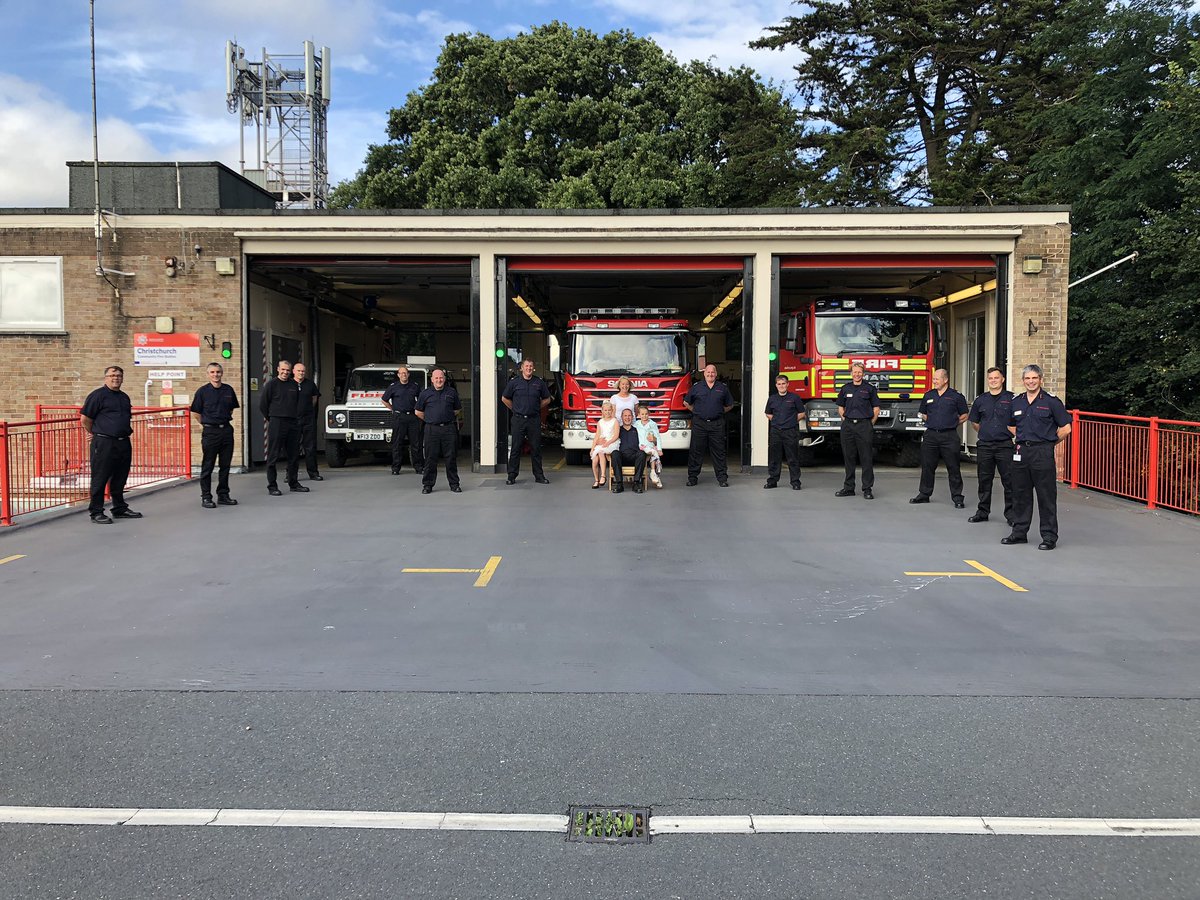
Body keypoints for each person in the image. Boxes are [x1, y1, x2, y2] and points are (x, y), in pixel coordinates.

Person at [1003, 364, 1072, 550]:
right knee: (1020, 495)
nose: (1031, 381)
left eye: (1034, 378)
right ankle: (1019, 533)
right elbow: (1011, 426)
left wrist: (1049, 443)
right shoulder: (1016, 402)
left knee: (1046, 496)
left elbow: (1066, 428)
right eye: (1027, 378)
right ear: (1023, 381)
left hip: (1042, 452)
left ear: (1041, 379)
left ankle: (1049, 537)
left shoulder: (1051, 402)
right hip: (1021, 452)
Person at [80, 365, 141, 524]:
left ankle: (119, 508)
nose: (116, 378)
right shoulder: (97, 396)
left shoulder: (124, 397)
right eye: (112, 375)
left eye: (119, 375)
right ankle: (96, 512)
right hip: (104, 443)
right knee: (100, 478)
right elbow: (85, 419)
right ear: (105, 378)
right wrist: (94, 433)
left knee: (120, 477)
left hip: (123, 442)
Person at [910, 368, 969, 507]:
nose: (934, 381)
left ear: (945, 380)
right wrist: (931, 421)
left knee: (953, 467)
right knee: (927, 466)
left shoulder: (956, 396)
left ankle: (957, 497)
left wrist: (952, 423)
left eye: (937, 379)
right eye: (934, 379)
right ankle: (924, 494)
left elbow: (965, 415)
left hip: (949, 436)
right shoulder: (928, 395)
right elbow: (923, 413)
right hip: (931, 435)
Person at [967, 367, 1015, 525]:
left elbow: (1019, 421)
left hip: (1005, 445)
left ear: (1002, 379)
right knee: (984, 480)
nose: (993, 381)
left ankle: (1012, 515)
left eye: (996, 378)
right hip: (985, 446)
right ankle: (982, 512)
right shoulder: (981, 400)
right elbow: (974, 421)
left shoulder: (1012, 399)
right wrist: (986, 431)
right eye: (990, 378)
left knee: (1009, 481)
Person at [190, 362, 240, 509]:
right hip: (210, 432)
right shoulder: (202, 392)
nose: (215, 375)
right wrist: (208, 424)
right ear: (208, 374)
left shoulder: (228, 390)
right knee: (208, 465)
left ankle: (223, 494)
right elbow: (196, 413)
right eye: (212, 372)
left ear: (222, 373)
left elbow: (230, 410)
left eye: (218, 372)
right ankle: (206, 497)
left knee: (225, 465)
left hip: (225, 431)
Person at [259, 359, 307, 496]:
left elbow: (297, 403)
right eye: (283, 369)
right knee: (273, 455)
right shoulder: (271, 385)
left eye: (287, 370)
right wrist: (272, 419)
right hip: (277, 422)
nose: (285, 372)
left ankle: (294, 483)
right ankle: (272, 486)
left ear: (290, 371)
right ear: (278, 370)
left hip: (292, 423)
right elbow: (263, 405)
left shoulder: (294, 384)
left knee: (293, 455)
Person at [502, 358, 552, 485]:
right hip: (518, 419)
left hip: (534, 419)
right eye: (526, 366)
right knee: (515, 448)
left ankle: (539, 476)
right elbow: (504, 398)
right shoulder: (514, 383)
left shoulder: (538, 382)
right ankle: (511, 476)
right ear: (521, 368)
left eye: (531, 366)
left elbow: (547, 399)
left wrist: (536, 407)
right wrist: (515, 408)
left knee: (536, 449)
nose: (528, 368)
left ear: (533, 368)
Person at [834, 363, 880, 499]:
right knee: (849, 458)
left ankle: (867, 489)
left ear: (863, 373)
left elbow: (876, 409)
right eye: (854, 372)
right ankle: (849, 488)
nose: (857, 374)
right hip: (848, 426)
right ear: (851, 373)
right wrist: (846, 421)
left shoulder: (869, 389)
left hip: (864, 426)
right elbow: (840, 407)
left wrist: (868, 424)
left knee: (866, 458)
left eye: (859, 372)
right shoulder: (845, 388)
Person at [683, 364, 735, 486]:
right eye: (708, 372)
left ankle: (722, 479)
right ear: (704, 373)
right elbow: (686, 402)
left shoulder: (722, 388)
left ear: (716, 374)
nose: (710, 374)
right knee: (696, 452)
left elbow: (730, 404)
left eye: (713, 372)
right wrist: (696, 411)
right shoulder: (697, 387)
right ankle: (692, 478)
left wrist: (720, 412)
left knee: (719, 452)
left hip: (717, 424)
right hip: (699, 424)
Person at [416, 367, 462, 494]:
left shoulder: (451, 392)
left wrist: (444, 417)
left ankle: (454, 484)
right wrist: (431, 419)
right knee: (430, 459)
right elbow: (418, 412)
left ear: (444, 379)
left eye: (441, 377)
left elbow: (457, 410)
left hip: (448, 429)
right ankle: (427, 485)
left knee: (451, 458)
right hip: (431, 430)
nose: (439, 380)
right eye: (436, 378)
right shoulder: (425, 393)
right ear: (432, 380)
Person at [764, 374, 805, 490]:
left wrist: (790, 421)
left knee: (792, 457)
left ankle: (795, 482)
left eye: (783, 383)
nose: (781, 386)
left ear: (788, 384)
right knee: (774, 457)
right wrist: (778, 421)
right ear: (776, 385)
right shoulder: (772, 399)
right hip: (776, 431)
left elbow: (802, 413)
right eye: (779, 384)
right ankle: (772, 480)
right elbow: (768, 413)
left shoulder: (795, 398)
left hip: (790, 431)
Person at [381, 365, 423, 475]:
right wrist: (393, 409)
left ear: (408, 374)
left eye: (405, 373)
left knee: (416, 443)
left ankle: (418, 467)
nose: (404, 375)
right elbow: (384, 400)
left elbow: (421, 400)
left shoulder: (415, 386)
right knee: (397, 444)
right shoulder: (393, 386)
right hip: (399, 417)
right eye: (401, 373)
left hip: (412, 417)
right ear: (398, 375)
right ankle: (396, 468)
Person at [292, 362, 323, 482]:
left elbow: (315, 398)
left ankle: (313, 473)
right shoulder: (288, 384)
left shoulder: (310, 384)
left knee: (310, 447)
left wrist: (308, 409)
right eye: (299, 371)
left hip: (308, 420)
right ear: (294, 371)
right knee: (293, 448)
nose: (301, 373)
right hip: (293, 420)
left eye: (303, 371)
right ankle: (290, 474)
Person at [609, 408, 647, 493]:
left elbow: (649, 439)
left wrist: (653, 439)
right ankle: (619, 484)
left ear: (633, 417)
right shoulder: (617, 430)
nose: (627, 417)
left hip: (635, 457)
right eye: (625, 415)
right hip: (621, 458)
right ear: (621, 417)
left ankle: (636, 483)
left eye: (629, 415)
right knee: (615, 453)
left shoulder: (637, 430)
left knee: (642, 453)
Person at [589, 400, 620, 489]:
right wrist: (592, 447)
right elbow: (597, 435)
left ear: (612, 410)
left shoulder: (615, 421)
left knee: (601, 452)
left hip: (611, 442)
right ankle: (596, 480)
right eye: (605, 410)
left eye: (609, 410)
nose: (607, 412)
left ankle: (603, 475)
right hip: (601, 443)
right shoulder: (600, 422)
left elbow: (616, 435)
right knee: (594, 460)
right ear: (602, 411)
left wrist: (608, 442)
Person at [634, 404, 663, 488]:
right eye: (642, 414)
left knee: (653, 452)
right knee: (650, 452)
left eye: (646, 414)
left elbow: (657, 437)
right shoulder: (636, 424)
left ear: (649, 414)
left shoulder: (652, 424)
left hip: (649, 444)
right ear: (639, 415)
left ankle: (653, 472)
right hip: (640, 446)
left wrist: (659, 449)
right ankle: (654, 475)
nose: (644, 416)